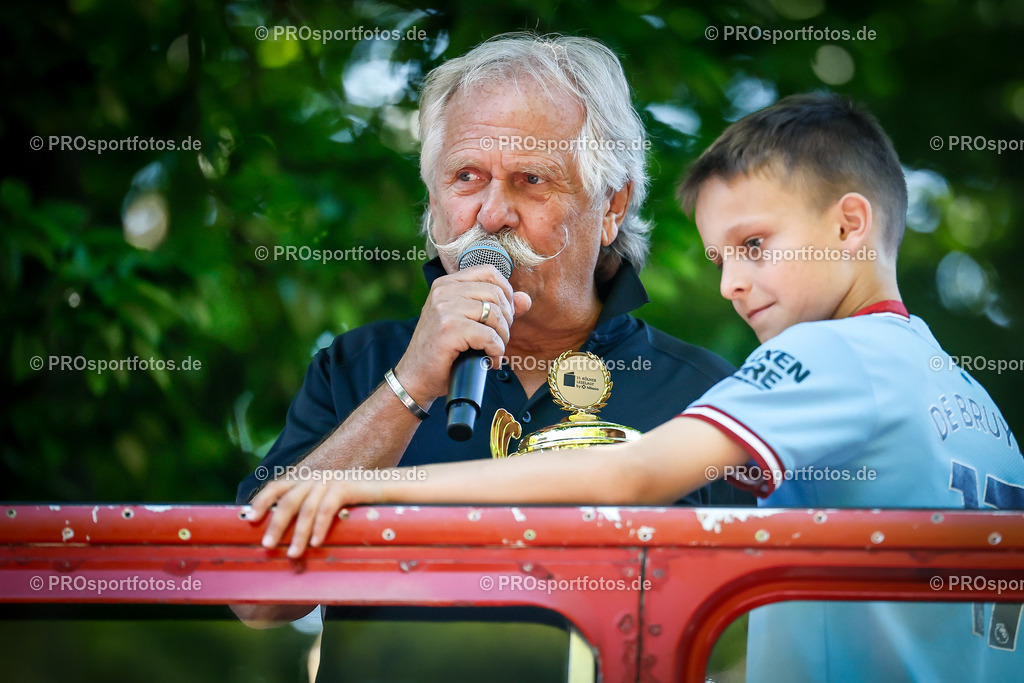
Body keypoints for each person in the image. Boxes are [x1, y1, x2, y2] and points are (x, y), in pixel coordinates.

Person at [246, 93, 1024, 681]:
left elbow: (634, 471)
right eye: (722, 258)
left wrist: (369, 488)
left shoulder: (823, 360)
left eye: (755, 245)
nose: (731, 285)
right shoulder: (972, 403)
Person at [232, 31, 745, 644]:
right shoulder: (356, 366)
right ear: (433, 199)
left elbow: (762, 626)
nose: (491, 213)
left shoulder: (705, 392)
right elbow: (253, 596)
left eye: (531, 179)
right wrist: (411, 382)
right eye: (467, 177)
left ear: (612, 206)